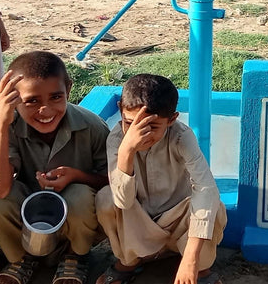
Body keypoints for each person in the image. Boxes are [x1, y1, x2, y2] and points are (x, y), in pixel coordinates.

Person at [0, 51, 109, 284]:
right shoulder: (9, 127)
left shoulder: (92, 126)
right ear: (12, 99)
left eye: (55, 97)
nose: (45, 110)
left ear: (68, 90)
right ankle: (22, 258)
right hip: (27, 217)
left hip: (75, 220)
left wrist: (76, 177)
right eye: (31, 101)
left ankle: (75, 256)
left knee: (80, 195)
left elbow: (111, 180)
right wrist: (1, 123)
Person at [95, 74, 226, 284]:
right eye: (130, 123)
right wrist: (127, 150)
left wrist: (191, 259)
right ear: (120, 109)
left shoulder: (182, 137)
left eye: (153, 126)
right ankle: (129, 262)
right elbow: (123, 201)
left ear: (172, 119)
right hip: (140, 222)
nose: (141, 134)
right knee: (105, 199)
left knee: (214, 205)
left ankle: (199, 269)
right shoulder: (117, 139)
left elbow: (206, 188)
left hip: (177, 223)